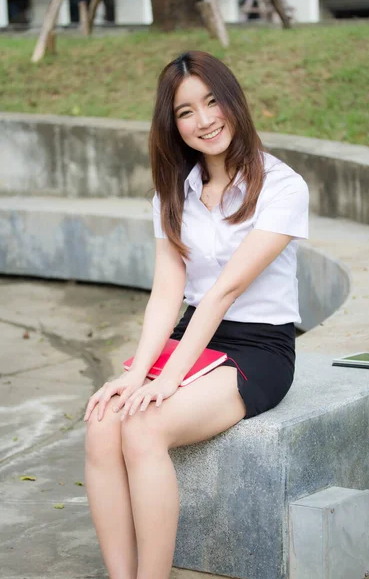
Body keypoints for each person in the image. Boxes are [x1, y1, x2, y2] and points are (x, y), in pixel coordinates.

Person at [84, 50, 309, 579]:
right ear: (173, 124)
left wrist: (169, 379)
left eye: (212, 101)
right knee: (102, 423)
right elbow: (168, 292)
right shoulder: (173, 193)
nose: (205, 120)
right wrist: (136, 374)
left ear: (234, 101)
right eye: (186, 111)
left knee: (143, 430)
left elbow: (225, 291)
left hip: (259, 347)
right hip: (194, 335)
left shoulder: (281, 186)